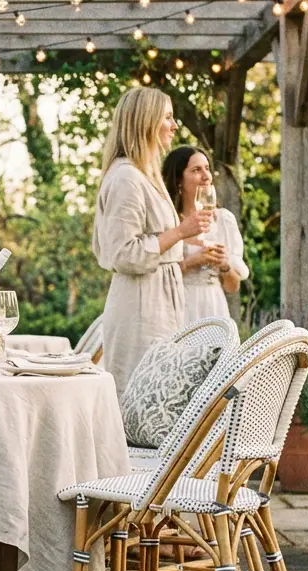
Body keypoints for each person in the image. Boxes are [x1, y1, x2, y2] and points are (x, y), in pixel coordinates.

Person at [93, 88, 212, 397]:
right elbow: (124, 253)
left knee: (162, 397)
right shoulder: (125, 178)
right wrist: (181, 231)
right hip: (140, 307)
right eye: (168, 117)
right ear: (146, 122)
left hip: (160, 300)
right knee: (139, 397)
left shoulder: (146, 175)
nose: (174, 126)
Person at [161, 146, 248, 322]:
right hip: (178, 309)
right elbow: (157, 279)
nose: (206, 176)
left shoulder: (224, 220)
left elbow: (233, 287)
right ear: (179, 179)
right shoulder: (166, 221)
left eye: (207, 168)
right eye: (196, 170)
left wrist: (224, 265)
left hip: (215, 308)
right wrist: (193, 262)